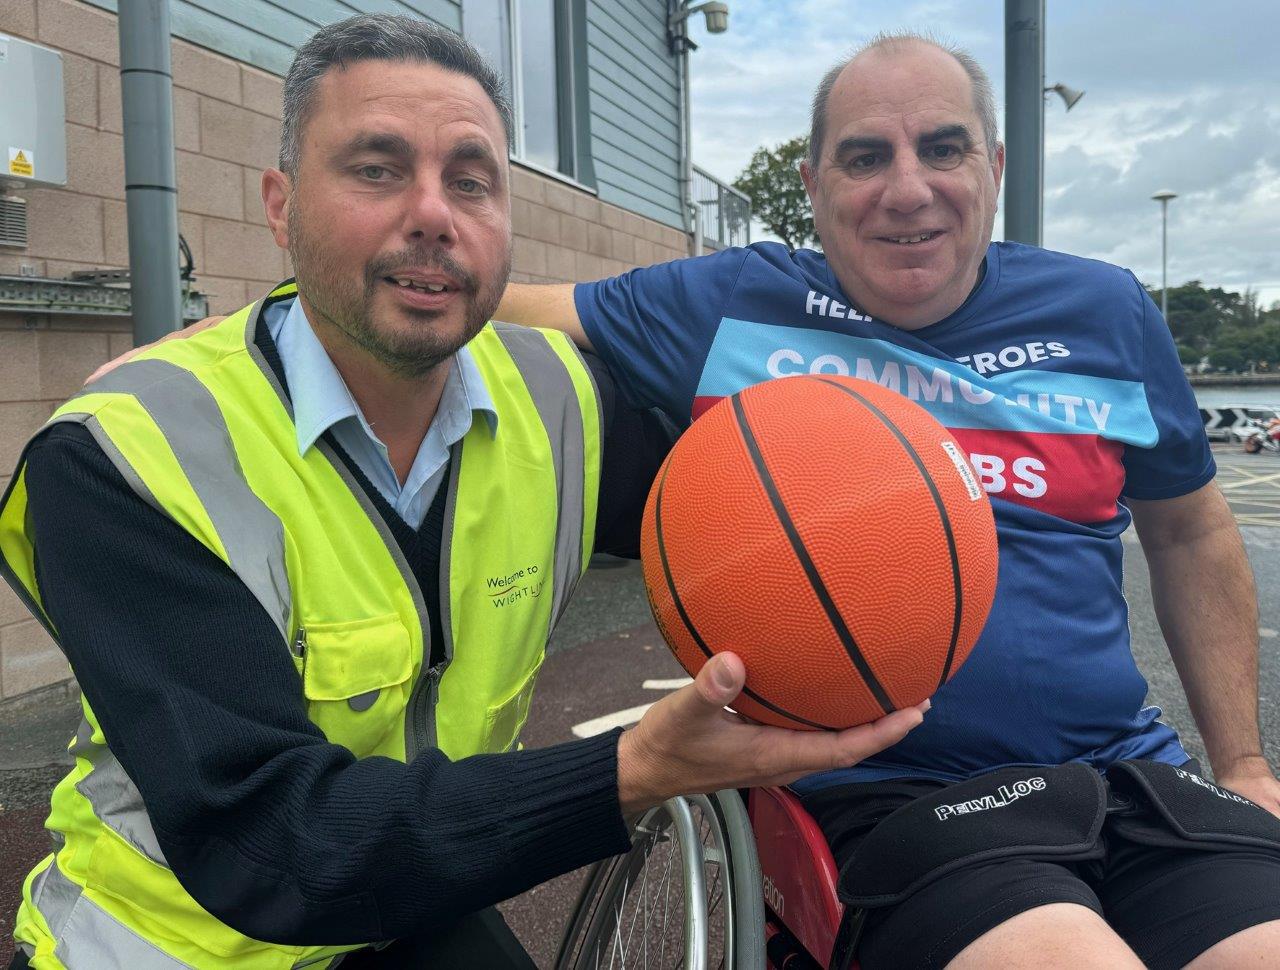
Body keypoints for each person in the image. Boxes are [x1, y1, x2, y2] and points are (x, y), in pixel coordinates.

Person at [0, 17, 928, 969]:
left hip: (403, 903)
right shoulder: (127, 454)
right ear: (280, 207)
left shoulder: (562, 401)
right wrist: (636, 770)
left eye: (472, 180)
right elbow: (271, 841)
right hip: (179, 943)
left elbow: (783, 522)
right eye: (376, 168)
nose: (434, 213)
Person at [494, 32, 1280, 970]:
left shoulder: (1105, 310)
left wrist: (1241, 765)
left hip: (1128, 772)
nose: (907, 189)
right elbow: (491, 308)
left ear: (991, 166)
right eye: (865, 157)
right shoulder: (738, 301)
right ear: (814, 183)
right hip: (887, 789)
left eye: (943, 148)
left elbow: (1189, 531)